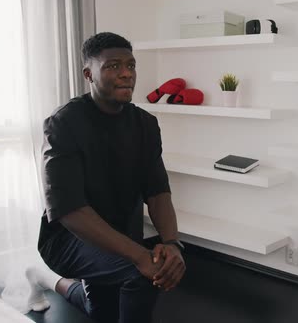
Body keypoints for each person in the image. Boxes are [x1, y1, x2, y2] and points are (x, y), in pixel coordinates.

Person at [25, 32, 185, 323]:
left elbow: (158, 191)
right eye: (113, 66)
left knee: (101, 312)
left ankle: (43, 278)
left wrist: (172, 242)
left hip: (120, 234)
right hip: (69, 239)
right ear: (89, 74)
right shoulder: (63, 124)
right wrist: (139, 255)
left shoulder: (146, 125)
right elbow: (69, 211)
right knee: (141, 274)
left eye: (131, 65)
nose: (126, 74)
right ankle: (49, 272)